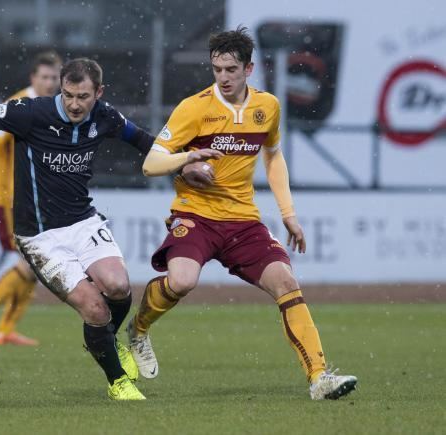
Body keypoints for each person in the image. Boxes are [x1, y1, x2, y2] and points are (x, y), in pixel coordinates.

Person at [0, 58, 217, 400]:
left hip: (83, 221)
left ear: (98, 93)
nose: (74, 104)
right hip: (40, 236)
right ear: (60, 88)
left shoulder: (106, 116)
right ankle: (118, 382)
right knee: (94, 309)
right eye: (68, 94)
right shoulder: (29, 113)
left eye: (83, 96)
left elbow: (147, 143)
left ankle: (105, 342)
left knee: (118, 287)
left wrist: (183, 166)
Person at [126, 26, 358, 400]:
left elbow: (273, 154)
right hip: (196, 215)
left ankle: (319, 378)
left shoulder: (267, 107)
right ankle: (138, 329)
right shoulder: (195, 107)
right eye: (217, 69)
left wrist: (288, 213)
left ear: (249, 70)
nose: (223, 77)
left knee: (285, 281)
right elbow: (151, 164)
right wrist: (189, 157)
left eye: (231, 69)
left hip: (242, 220)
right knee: (182, 281)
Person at [0, 50, 62, 346]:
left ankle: (5, 329)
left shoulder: (55, 106)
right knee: (33, 261)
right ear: (33, 78)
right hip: (12, 199)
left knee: (35, 263)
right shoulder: (17, 106)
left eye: (54, 77)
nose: (49, 83)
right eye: (44, 77)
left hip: (36, 199)